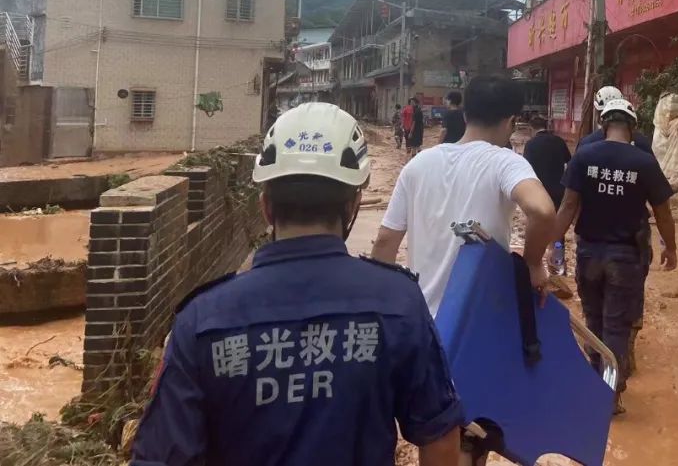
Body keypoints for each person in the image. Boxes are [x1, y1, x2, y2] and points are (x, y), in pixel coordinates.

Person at [131, 103, 463, 466]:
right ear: (353, 205)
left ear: (266, 207)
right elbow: (441, 439)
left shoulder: (202, 321)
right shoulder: (398, 303)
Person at [371, 75, 557, 316]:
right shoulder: (505, 162)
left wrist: (380, 308)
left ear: (465, 115)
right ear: (511, 121)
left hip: (422, 322)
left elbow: (385, 241)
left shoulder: (418, 164)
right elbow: (542, 211)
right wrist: (532, 264)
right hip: (477, 323)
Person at [555, 98, 677, 414]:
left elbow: (567, 206)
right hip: (626, 258)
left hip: (588, 253)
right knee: (616, 327)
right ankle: (609, 397)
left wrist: (551, 244)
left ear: (604, 124)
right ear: (632, 127)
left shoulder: (584, 156)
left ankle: (594, 387)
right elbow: (663, 212)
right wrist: (670, 247)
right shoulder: (644, 162)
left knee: (593, 322)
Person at [577, 85, 663, 375]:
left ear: (601, 116)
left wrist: (555, 242)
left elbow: (571, 200)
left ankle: (595, 373)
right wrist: (669, 245)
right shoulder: (643, 149)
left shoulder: (586, 147)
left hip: (590, 244)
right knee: (624, 308)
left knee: (593, 315)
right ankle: (617, 370)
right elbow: (659, 199)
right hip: (631, 243)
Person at [522, 115, 571, 275]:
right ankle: (558, 264)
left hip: (539, 192)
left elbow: (526, 168)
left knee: (537, 228)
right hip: (559, 190)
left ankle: (535, 266)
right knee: (558, 230)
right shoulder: (559, 141)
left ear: (531, 128)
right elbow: (569, 163)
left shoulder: (531, 145)